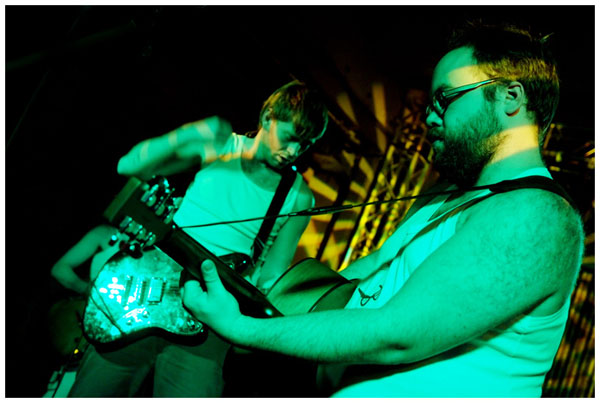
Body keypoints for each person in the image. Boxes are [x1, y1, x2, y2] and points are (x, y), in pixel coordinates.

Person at [182, 23, 584, 397]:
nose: (430, 116)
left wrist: (242, 328)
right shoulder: (445, 197)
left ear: (511, 97)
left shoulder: (538, 214)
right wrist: (267, 300)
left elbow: (398, 334)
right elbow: (371, 270)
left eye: (445, 99)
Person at [68, 81, 329, 397]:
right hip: (146, 290)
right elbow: (129, 165)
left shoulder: (298, 197)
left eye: (305, 145)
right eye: (290, 138)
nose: (294, 152)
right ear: (268, 118)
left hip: (209, 319)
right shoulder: (221, 145)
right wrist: (188, 133)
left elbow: (271, 276)